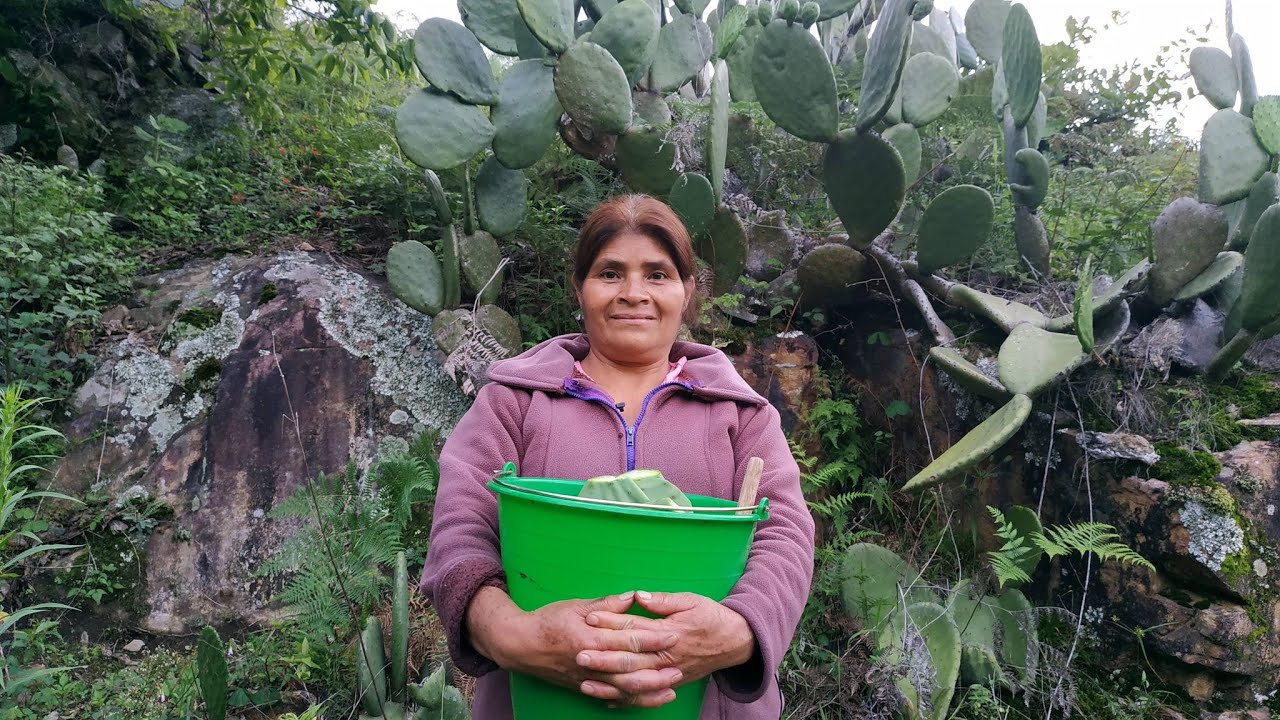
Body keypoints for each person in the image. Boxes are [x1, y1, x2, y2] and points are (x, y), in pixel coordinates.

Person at [418, 194, 815, 718]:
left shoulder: (742, 413)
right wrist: (511, 634)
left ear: (686, 290)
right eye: (610, 273)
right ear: (579, 289)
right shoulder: (513, 400)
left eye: (657, 274)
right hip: (540, 700)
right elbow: (460, 529)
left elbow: (785, 534)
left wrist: (737, 632)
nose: (634, 294)